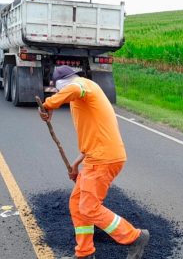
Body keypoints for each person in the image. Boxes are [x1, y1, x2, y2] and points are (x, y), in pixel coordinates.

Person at [38, 65, 150, 259]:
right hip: (96, 157)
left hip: (103, 159)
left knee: (89, 207)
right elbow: (90, 142)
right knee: (76, 203)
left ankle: (135, 236)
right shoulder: (82, 99)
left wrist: (48, 105)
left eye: (59, 90)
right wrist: (75, 166)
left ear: (62, 85)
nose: (61, 94)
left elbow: (74, 88)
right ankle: (85, 253)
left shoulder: (82, 84)